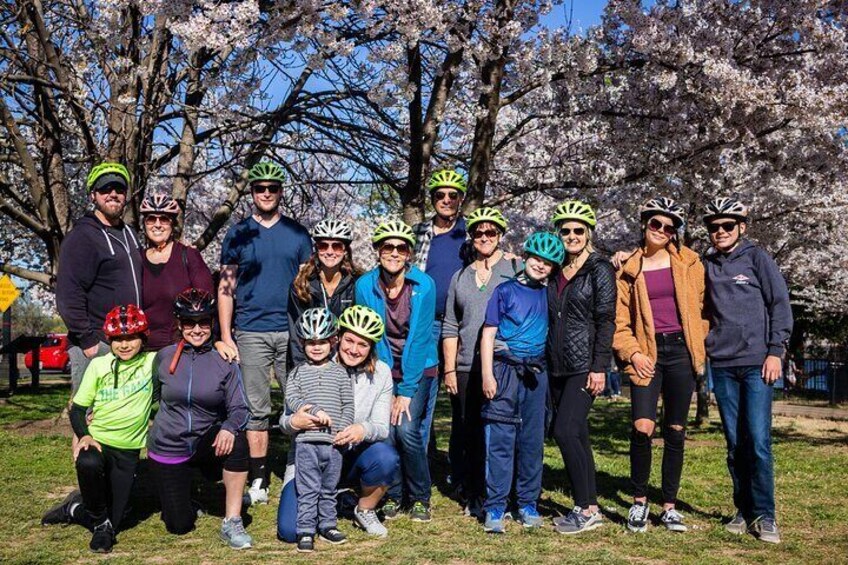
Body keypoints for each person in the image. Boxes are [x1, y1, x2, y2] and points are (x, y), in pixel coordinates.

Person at [218, 161, 312, 505]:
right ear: (252, 193)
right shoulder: (237, 234)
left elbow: (307, 287)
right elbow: (226, 288)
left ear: (281, 192)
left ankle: (298, 467)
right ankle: (258, 477)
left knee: (298, 402)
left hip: (291, 332)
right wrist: (227, 335)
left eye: (273, 188)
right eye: (260, 188)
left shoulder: (298, 234)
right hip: (250, 331)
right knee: (256, 408)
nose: (267, 193)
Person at [613, 197, 708, 534]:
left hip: (681, 352)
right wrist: (633, 353)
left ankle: (669, 506)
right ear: (645, 224)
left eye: (670, 227)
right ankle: (639, 501)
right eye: (656, 224)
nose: (662, 231)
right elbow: (619, 321)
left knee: (676, 430)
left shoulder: (690, 263)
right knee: (642, 426)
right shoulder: (629, 268)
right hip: (647, 352)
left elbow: (702, 309)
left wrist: (699, 341)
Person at [702, 197, 792, 544]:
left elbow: (779, 304)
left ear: (741, 227)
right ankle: (743, 509)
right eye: (714, 227)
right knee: (735, 441)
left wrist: (775, 351)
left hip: (757, 363)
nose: (720, 232)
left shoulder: (756, 258)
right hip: (722, 364)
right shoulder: (707, 263)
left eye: (727, 226)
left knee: (757, 440)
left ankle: (765, 514)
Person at [277, 305, 399, 542]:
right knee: (290, 531)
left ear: (372, 347)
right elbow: (283, 422)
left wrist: (362, 429)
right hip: (310, 455)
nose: (353, 350)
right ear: (337, 338)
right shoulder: (312, 365)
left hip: (350, 453)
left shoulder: (382, 373)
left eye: (362, 345)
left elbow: (382, 426)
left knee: (386, 456)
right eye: (349, 341)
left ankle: (363, 509)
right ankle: (334, 497)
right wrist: (294, 421)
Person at [41, 305, 155, 554]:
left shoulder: (152, 363)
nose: (124, 345)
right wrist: (85, 435)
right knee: (88, 462)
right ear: (109, 340)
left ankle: (73, 508)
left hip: (128, 449)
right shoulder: (99, 365)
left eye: (131, 338)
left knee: (120, 518)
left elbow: (185, 352)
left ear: (143, 338)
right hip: (100, 441)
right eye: (118, 339)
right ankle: (101, 527)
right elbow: (78, 408)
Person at [147, 288, 252, 549]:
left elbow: (241, 408)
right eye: (189, 323)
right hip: (169, 447)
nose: (197, 329)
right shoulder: (163, 357)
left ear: (212, 323)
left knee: (238, 441)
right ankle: (185, 495)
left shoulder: (224, 360)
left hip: (207, 444)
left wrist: (228, 427)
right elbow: (148, 399)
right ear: (179, 324)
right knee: (179, 525)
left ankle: (232, 520)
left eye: (204, 322)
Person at [480, 231, 565, 534]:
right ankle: (495, 507)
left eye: (548, 263)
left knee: (531, 441)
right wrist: (487, 374)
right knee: (500, 441)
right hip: (503, 373)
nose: (541, 266)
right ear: (526, 257)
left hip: (535, 375)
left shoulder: (549, 293)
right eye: (537, 259)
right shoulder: (504, 291)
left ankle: (528, 502)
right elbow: (488, 333)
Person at [355, 221, 438, 522]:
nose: (393, 253)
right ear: (377, 251)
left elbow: (418, 339)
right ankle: (392, 494)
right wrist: (387, 383)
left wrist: (404, 391)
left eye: (400, 247)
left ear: (409, 253)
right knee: (386, 433)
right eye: (387, 247)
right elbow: (373, 337)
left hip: (419, 367)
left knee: (408, 431)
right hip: (383, 368)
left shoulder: (424, 285)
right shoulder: (365, 285)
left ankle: (420, 497)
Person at [546, 201, 617, 535]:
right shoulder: (555, 268)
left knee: (564, 430)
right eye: (565, 230)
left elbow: (606, 319)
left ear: (588, 233)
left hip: (583, 364)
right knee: (579, 434)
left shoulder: (599, 268)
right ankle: (591, 507)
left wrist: (599, 366)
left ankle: (583, 507)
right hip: (556, 364)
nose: (571, 235)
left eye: (578, 230)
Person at [442, 206, 518, 516]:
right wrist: (449, 368)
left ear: (500, 235)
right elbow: (450, 324)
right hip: (464, 367)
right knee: (469, 431)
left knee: (501, 431)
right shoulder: (460, 276)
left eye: (490, 232)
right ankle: (473, 492)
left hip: (503, 364)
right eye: (478, 232)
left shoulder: (516, 269)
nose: (484, 237)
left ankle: (504, 492)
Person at [56, 163, 143, 398]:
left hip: (128, 343)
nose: (113, 194)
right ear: (93, 195)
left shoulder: (130, 234)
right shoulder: (82, 237)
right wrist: (88, 340)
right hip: (97, 343)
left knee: (116, 418)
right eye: (105, 189)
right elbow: (68, 293)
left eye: (119, 189)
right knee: (87, 417)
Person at [285, 308, 355, 552]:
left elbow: (348, 405)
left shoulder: (340, 373)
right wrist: (314, 410)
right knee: (308, 489)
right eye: (311, 342)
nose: (317, 347)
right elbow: (292, 400)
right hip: (306, 444)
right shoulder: (297, 373)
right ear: (303, 343)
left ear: (333, 341)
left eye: (322, 341)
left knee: (329, 488)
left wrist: (342, 429)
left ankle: (328, 524)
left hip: (333, 444)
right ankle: (305, 529)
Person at [412, 168, 470, 455]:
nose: (446, 200)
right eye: (440, 195)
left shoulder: (471, 232)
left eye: (452, 195)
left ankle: (460, 464)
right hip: (426, 322)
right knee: (423, 393)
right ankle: (420, 462)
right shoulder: (418, 232)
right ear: (432, 199)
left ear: (460, 199)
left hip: (461, 325)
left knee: (462, 394)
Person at [140, 193, 214, 351]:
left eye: (164, 219)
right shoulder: (137, 259)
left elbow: (208, 303)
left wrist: (218, 339)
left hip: (180, 349)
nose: (157, 224)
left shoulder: (188, 256)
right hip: (142, 350)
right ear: (144, 224)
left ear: (172, 224)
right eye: (151, 219)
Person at [288, 219, 360, 366]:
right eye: (323, 246)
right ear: (316, 249)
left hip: (348, 360)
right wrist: (301, 369)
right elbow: (296, 331)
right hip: (313, 361)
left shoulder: (357, 284)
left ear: (345, 250)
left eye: (337, 246)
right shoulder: (302, 285)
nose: (330, 251)